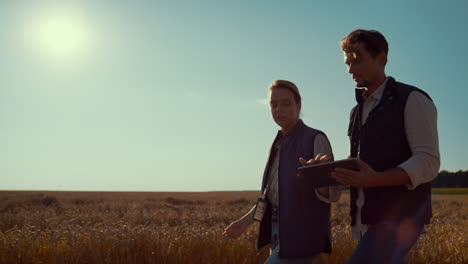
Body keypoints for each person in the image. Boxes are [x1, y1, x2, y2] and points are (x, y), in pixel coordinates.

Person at [331, 29, 440, 264]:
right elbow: (362, 163)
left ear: (381, 57)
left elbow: (429, 162)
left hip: (398, 219)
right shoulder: (356, 111)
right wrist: (326, 170)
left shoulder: (412, 99)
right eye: (347, 62)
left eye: (357, 59)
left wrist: (375, 179)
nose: (350, 69)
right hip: (364, 218)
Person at [223, 80, 340, 263]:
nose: (279, 110)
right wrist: (244, 223)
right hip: (277, 234)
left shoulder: (315, 138)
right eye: (273, 104)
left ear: (298, 105)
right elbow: (269, 197)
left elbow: (333, 194)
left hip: (302, 237)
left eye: (286, 103)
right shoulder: (277, 144)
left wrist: (318, 178)